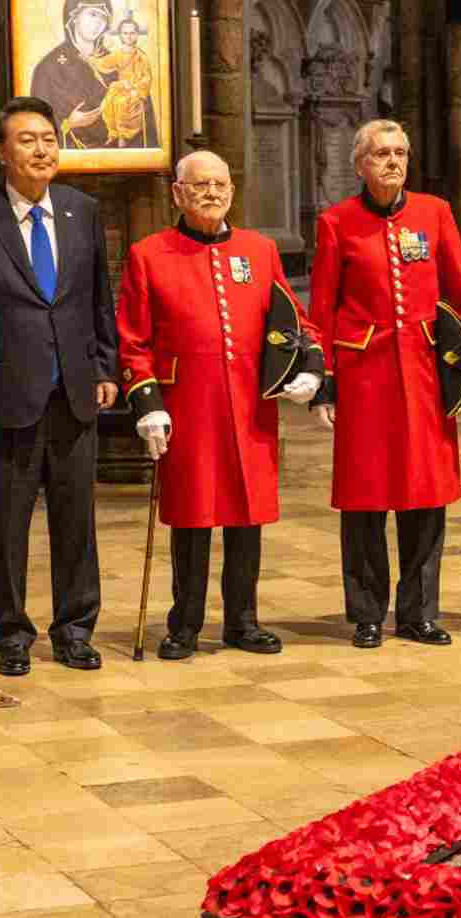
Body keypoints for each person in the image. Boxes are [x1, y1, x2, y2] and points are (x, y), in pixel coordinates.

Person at [0, 96, 118, 676]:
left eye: (48, 138)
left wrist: (107, 368)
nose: (42, 149)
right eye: (27, 140)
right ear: (0, 153)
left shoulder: (81, 211)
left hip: (73, 390)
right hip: (1, 391)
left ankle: (75, 628)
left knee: (75, 521)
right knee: (6, 524)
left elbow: (98, 299)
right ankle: (11, 634)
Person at [116, 150, 322, 660]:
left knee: (247, 515)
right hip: (188, 408)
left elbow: (296, 322)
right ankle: (184, 625)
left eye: (221, 184)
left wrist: (311, 368)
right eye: (201, 184)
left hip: (250, 407)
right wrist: (146, 401)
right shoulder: (149, 254)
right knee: (191, 518)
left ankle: (243, 621)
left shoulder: (258, 250)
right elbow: (133, 340)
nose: (212, 193)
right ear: (177, 193)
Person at [308, 118, 461, 649]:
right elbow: (321, 307)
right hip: (364, 376)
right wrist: (323, 380)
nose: (392, 162)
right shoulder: (336, 222)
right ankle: (367, 613)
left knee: (425, 496)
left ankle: (419, 612)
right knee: (366, 499)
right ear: (359, 164)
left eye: (400, 153)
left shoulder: (433, 214)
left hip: (423, 373)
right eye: (381, 154)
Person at [30, 0, 155, 150]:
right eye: (92, 14)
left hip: (116, 160)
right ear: (74, 17)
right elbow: (36, 122)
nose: (98, 23)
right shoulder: (49, 67)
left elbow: (143, 116)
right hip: (68, 161)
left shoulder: (119, 61)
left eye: (103, 18)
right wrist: (68, 124)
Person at [91, 17, 155, 147]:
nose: (129, 36)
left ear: (137, 34)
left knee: (121, 103)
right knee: (108, 104)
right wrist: (92, 58)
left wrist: (136, 90)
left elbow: (146, 77)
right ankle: (113, 133)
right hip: (120, 87)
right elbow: (104, 63)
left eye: (132, 33)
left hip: (134, 90)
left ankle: (124, 136)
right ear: (120, 35)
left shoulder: (141, 56)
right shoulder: (118, 54)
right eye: (125, 33)